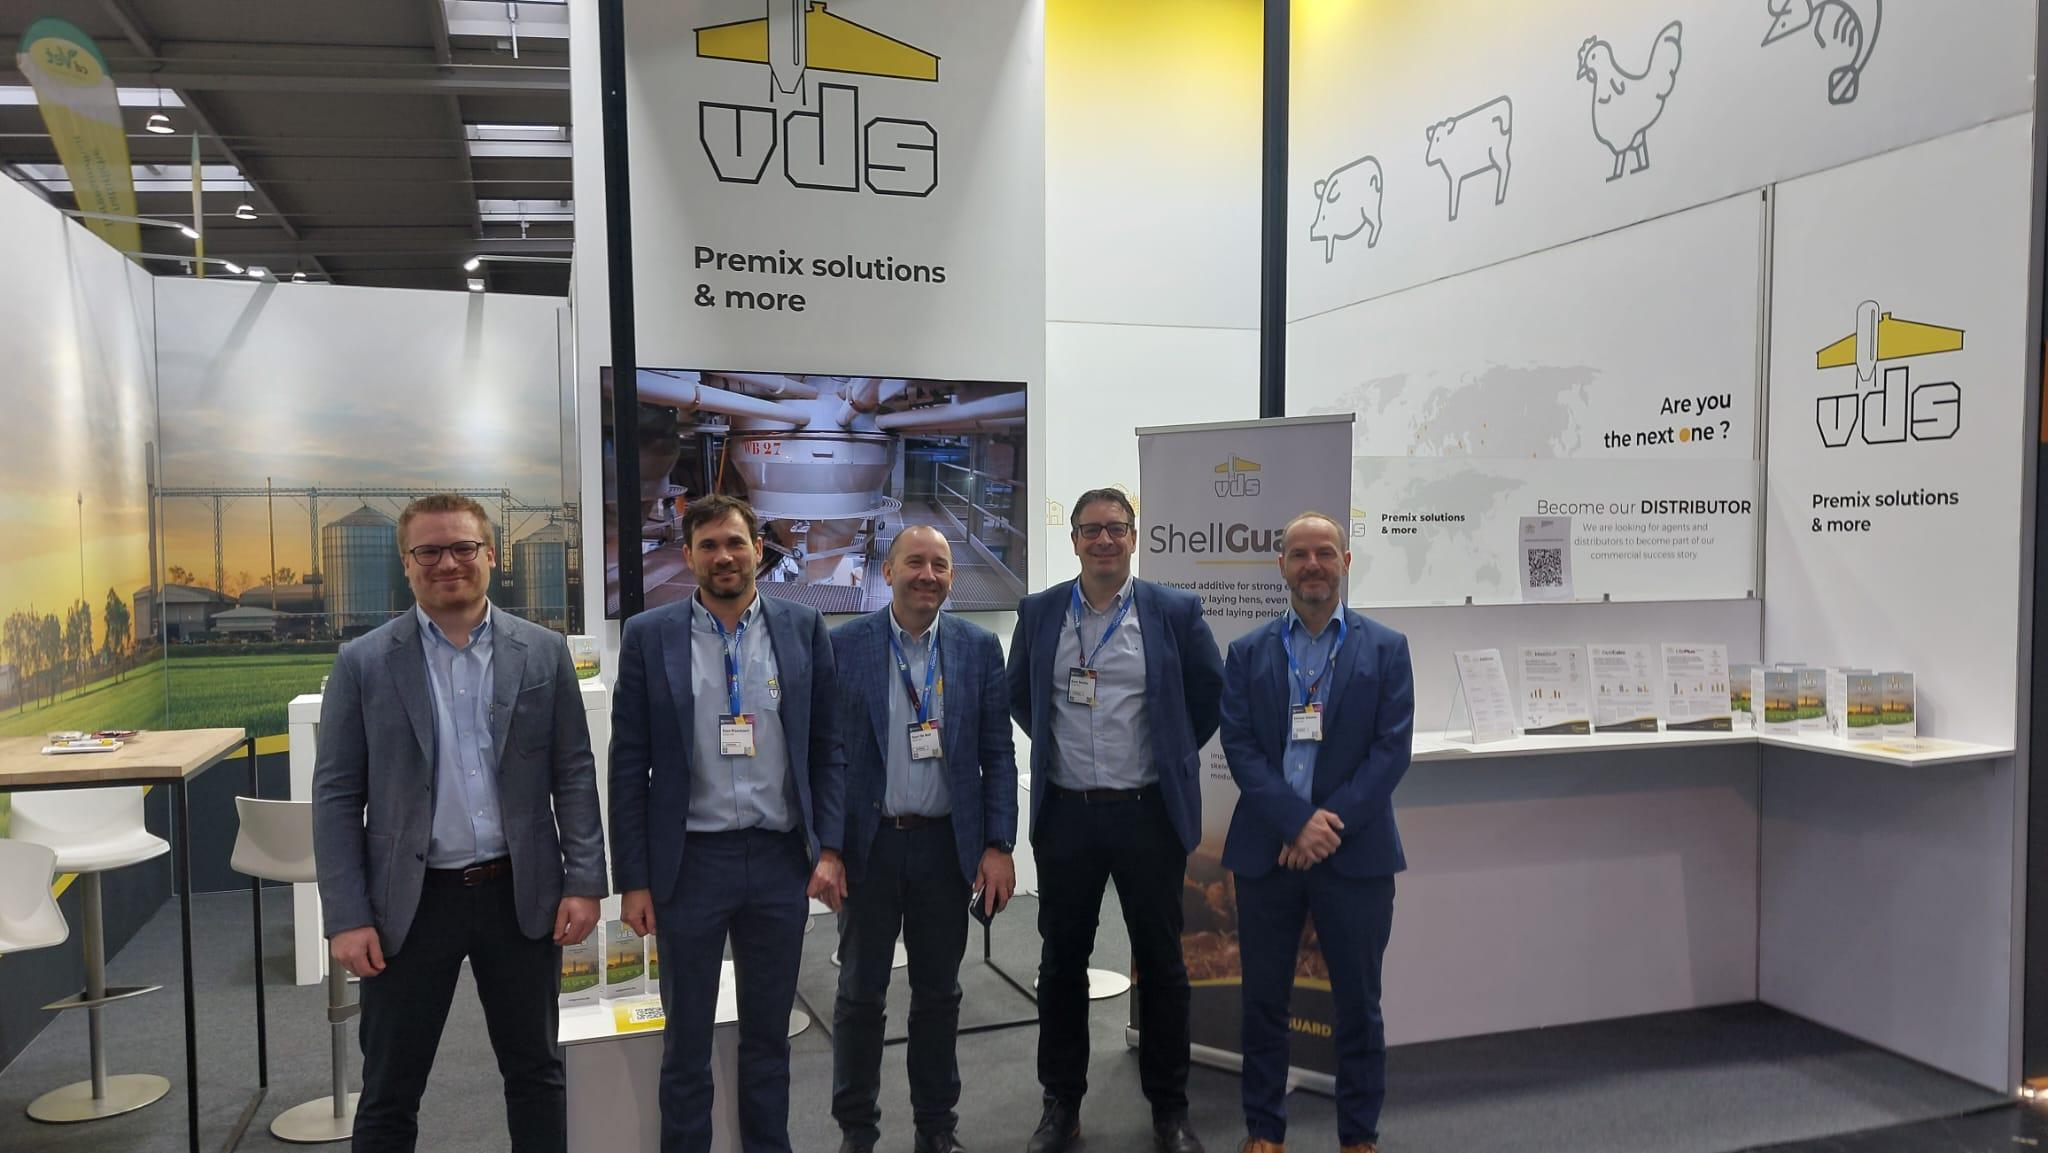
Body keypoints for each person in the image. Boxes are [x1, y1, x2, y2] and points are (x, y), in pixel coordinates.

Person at [312, 493, 607, 1153]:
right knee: (390, 1090)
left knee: (537, 1075)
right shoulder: (363, 663)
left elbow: (573, 773)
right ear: (406, 564)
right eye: (429, 551)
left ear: (491, 555)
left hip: (519, 898)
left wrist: (585, 880)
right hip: (408, 907)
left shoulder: (543, 653)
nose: (448, 563)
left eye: (463, 547)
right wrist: (346, 914)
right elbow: (335, 796)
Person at [608, 493, 848, 1153]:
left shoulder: (803, 628)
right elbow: (628, 764)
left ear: (758, 550)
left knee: (769, 1037)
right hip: (690, 865)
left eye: (735, 542)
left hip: (778, 862)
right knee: (686, 1040)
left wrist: (830, 848)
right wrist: (634, 879)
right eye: (708, 545)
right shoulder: (649, 636)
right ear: (688, 556)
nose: (724, 556)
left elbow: (828, 747)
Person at [1007, 487, 1224, 1153]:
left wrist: (1168, 755)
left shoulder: (1174, 611)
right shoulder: (1041, 612)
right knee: (1060, 964)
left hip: (1147, 815)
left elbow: (1207, 696)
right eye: (1091, 529)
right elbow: (1021, 696)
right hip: (1067, 817)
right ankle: (1061, 1104)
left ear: (1134, 536)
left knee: (1162, 963)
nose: (1104, 539)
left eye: (1116, 528)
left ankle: (1170, 1108)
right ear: (1074, 539)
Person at [1219, 512, 1412, 1153]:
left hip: (1355, 853)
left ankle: (1358, 1135)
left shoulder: (1386, 648)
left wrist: (1327, 825)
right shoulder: (1248, 652)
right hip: (1268, 852)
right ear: (1281, 565)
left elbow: (1391, 752)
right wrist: (1294, 820)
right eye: (1299, 554)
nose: (1312, 565)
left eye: (1325, 553)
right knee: (1263, 1003)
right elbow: (1240, 747)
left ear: (1345, 562)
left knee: (1359, 1005)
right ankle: (1264, 1130)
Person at [828, 525, 1019, 1153]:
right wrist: (827, 848)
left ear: (951, 578)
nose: (928, 576)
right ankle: (857, 1131)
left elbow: (997, 752)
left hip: (944, 849)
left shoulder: (977, 647)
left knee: (939, 995)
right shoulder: (845, 645)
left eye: (940, 565)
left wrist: (999, 845)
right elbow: (825, 756)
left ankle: (936, 1128)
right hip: (870, 848)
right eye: (915, 562)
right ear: (888, 572)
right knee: (860, 996)